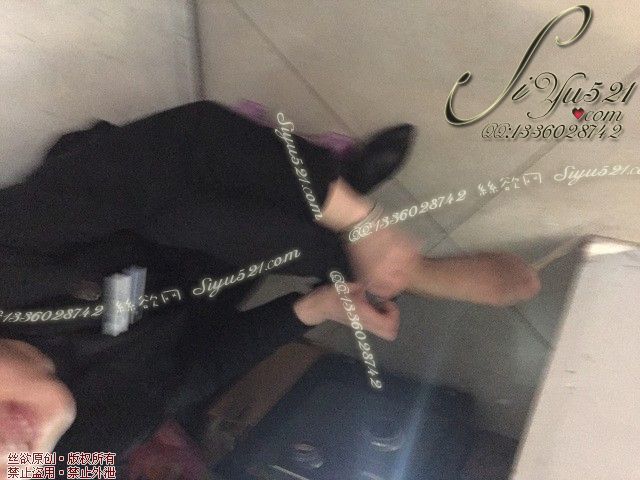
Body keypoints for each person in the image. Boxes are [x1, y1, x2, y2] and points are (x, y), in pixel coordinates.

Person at [0, 100, 540, 478]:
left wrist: (360, 219)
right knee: (235, 272)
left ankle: (364, 221)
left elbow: (186, 143)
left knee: (197, 216)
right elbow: (192, 375)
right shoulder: (71, 458)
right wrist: (312, 309)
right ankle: (342, 216)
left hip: (134, 222)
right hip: (180, 302)